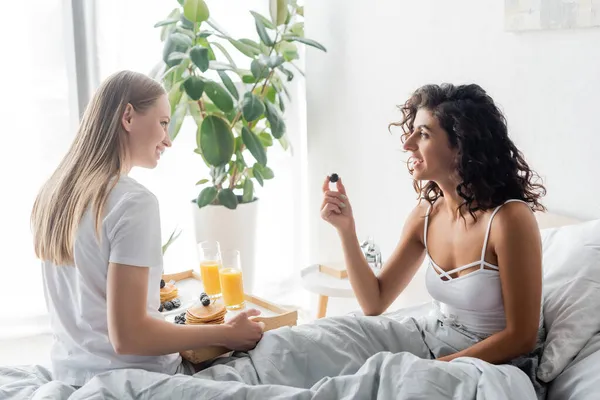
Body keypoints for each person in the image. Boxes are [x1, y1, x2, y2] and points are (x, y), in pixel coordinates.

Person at [30, 70, 264, 387]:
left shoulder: (55, 193)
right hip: (137, 381)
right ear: (128, 116)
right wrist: (228, 334)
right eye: (163, 123)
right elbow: (128, 337)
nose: (167, 140)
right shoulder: (132, 202)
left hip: (73, 377)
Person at [321, 82, 546, 364]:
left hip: (488, 364)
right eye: (412, 130)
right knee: (326, 339)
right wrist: (346, 230)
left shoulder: (509, 220)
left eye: (423, 134)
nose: (407, 143)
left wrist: (434, 368)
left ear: (462, 144)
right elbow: (374, 302)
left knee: (384, 378)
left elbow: (521, 337)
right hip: (432, 340)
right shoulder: (426, 215)